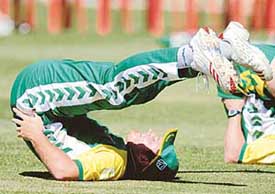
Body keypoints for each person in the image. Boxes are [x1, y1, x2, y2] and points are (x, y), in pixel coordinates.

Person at [10, 21, 269, 181]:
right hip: (49, 107)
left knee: (114, 89)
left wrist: (36, 136)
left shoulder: (114, 162)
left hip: (35, 102)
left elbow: (64, 171)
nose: (152, 135)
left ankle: (193, 58)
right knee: (123, 90)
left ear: (146, 159)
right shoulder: (118, 152)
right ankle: (220, 50)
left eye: (156, 143)